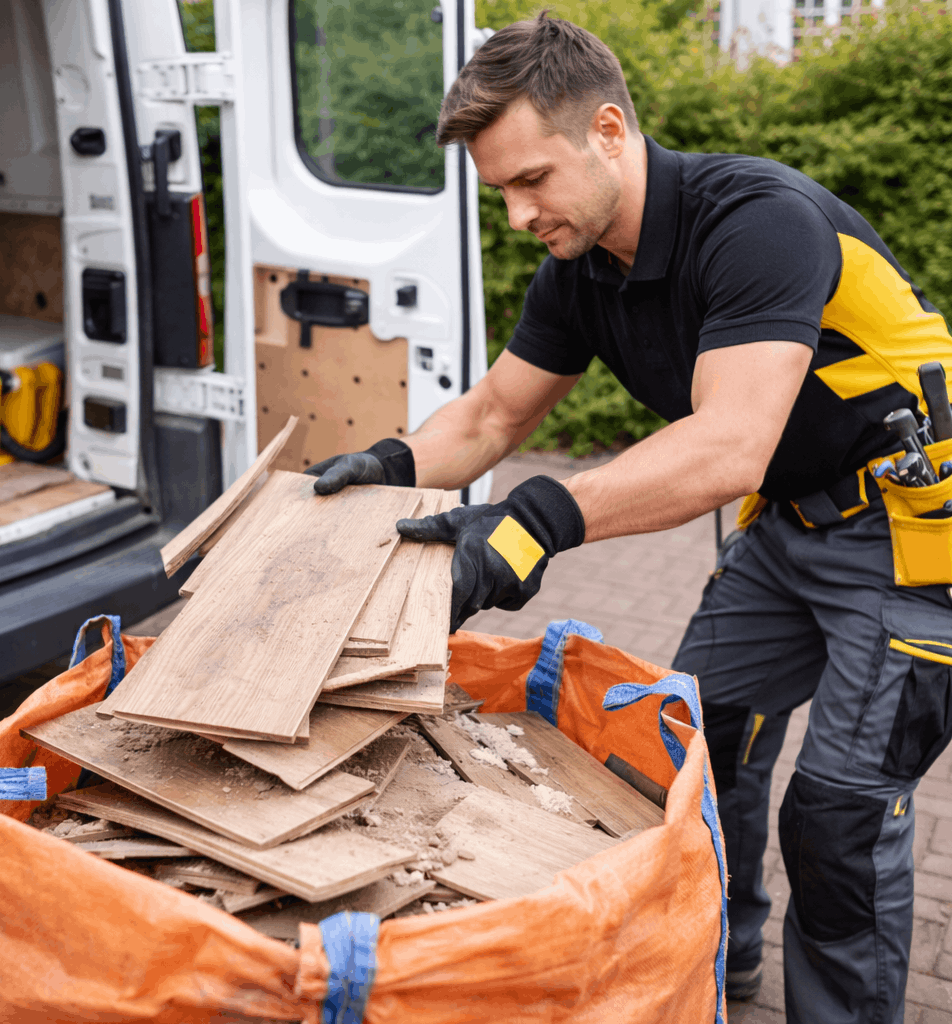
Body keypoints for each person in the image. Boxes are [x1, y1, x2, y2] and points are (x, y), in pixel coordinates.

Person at [306, 12, 952, 1021]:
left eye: (532, 180)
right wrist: (388, 466)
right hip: (790, 525)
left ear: (608, 130)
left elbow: (727, 444)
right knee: (690, 742)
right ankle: (723, 958)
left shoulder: (759, 224)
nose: (517, 214)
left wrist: (532, 523)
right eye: (501, 190)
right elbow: (492, 415)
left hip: (912, 534)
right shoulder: (582, 271)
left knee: (837, 816)